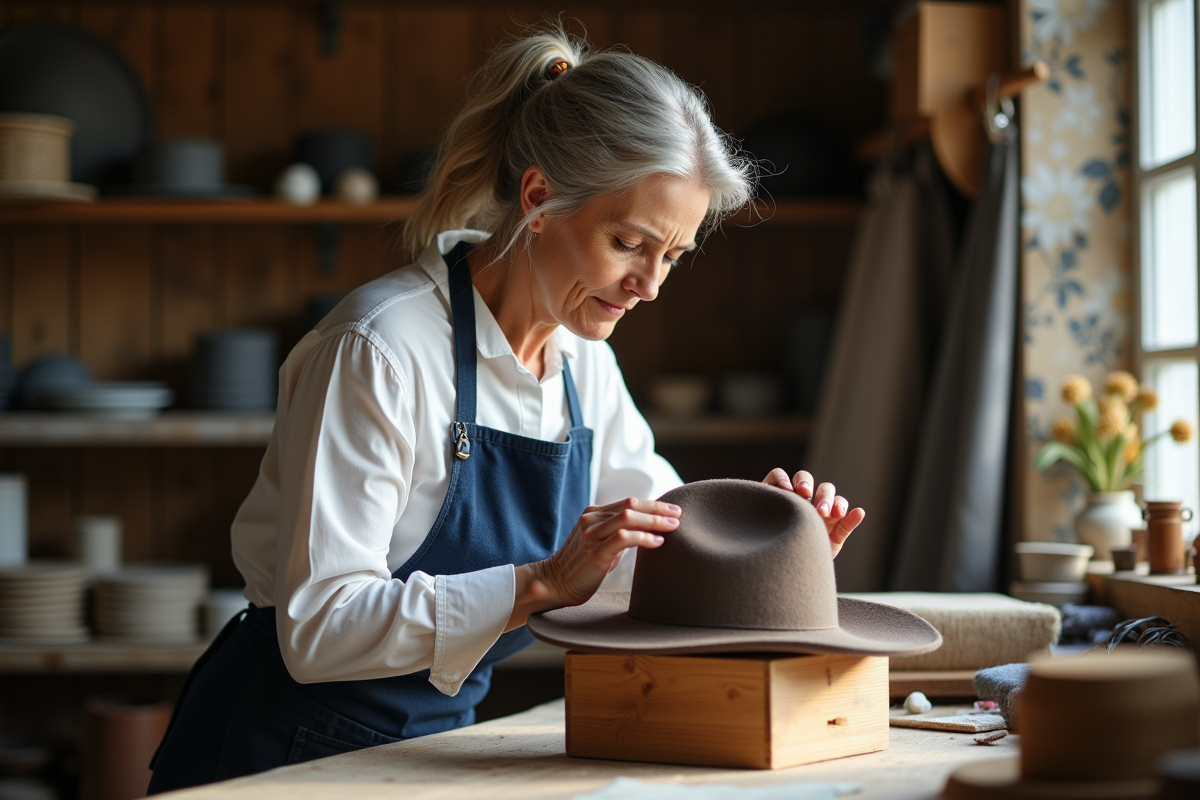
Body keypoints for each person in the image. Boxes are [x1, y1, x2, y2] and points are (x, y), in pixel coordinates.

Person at [148, 26, 865, 793]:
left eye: (674, 256)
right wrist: (539, 584)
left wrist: (779, 551)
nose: (650, 285)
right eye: (628, 242)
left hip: (437, 749)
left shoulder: (585, 363)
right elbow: (319, 627)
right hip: (282, 751)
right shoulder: (379, 351)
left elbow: (647, 555)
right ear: (539, 199)